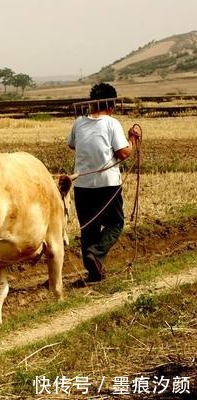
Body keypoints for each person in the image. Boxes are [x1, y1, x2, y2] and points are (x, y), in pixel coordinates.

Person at [67, 82, 140, 283]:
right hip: (107, 184)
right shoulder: (111, 123)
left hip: (82, 185)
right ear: (111, 104)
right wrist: (132, 140)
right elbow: (123, 153)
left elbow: (73, 145)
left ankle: (93, 273)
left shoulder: (78, 123)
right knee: (116, 224)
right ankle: (96, 253)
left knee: (88, 228)